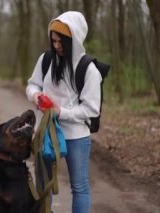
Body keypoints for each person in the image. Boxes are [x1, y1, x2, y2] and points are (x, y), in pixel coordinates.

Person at [26, 11, 102, 213]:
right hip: (46, 133)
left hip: (76, 136)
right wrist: (36, 96)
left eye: (61, 42)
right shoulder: (46, 59)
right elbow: (32, 85)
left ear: (74, 40)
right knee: (43, 186)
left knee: (79, 187)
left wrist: (61, 112)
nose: (56, 46)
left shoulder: (89, 70)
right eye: (54, 41)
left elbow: (91, 109)